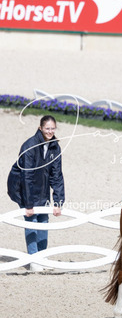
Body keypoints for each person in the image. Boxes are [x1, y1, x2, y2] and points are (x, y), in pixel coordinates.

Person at [7, 115, 65, 272]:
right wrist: (28, 204)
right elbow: (27, 176)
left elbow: (57, 176)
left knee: (43, 221)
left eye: (53, 128)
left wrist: (58, 202)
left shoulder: (55, 147)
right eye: (47, 128)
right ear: (40, 128)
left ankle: (42, 256)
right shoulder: (29, 146)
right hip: (22, 188)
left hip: (42, 187)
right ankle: (33, 259)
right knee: (31, 220)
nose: (50, 131)